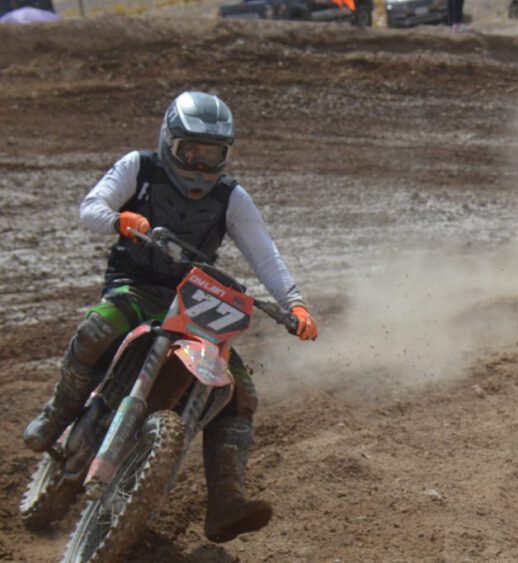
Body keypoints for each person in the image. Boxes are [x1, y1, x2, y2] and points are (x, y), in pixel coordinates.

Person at [22, 91, 319, 543]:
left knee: (239, 389)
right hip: (136, 284)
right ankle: (57, 414)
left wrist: (294, 303)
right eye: (190, 152)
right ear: (169, 141)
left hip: (196, 297)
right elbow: (90, 208)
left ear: (226, 154)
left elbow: (265, 254)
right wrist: (120, 220)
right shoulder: (139, 168)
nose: (200, 166)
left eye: (212, 155)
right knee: (99, 326)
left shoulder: (230, 197)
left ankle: (225, 502)